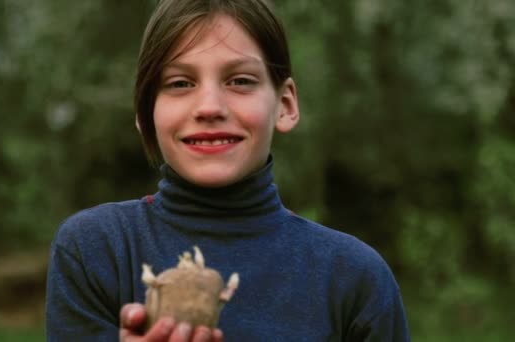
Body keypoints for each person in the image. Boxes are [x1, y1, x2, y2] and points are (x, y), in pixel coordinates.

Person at [45, 0, 411, 341]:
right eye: (180, 83)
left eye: (240, 81)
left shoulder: (352, 277)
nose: (209, 106)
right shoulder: (96, 249)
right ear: (145, 113)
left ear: (284, 104)